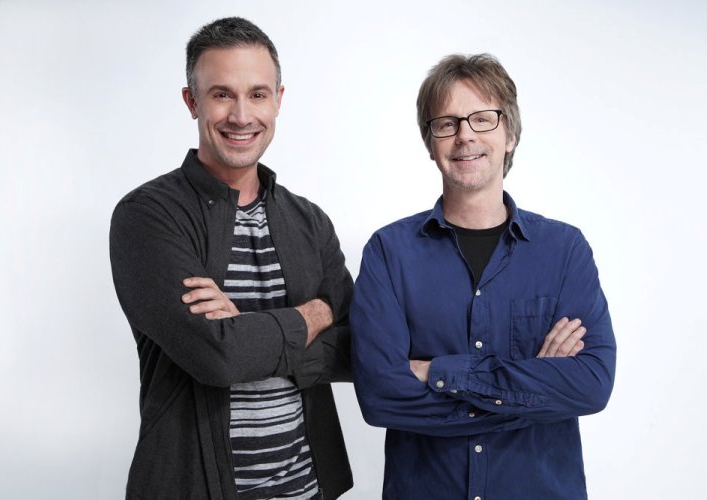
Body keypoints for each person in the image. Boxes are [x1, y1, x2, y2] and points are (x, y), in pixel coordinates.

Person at [350, 53, 616, 499]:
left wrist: (439, 371)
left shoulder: (564, 251)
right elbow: (379, 397)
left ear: (509, 135)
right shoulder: (388, 252)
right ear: (430, 143)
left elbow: (591, 385)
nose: (465, 135)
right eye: (447, 123)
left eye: (482, 119)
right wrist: (533, 391)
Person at [110, 17, 353, 500]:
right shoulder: (148, 215)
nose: (242, 116)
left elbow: (357, 349)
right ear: (192, 101)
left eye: (257, 94)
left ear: (278, 100)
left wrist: (247, 331)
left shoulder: (310, 221)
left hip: (307, 488)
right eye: (222, 94)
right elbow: (219, 357)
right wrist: (316, 313)